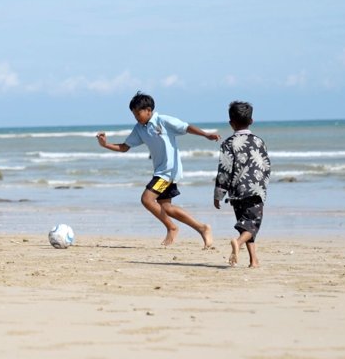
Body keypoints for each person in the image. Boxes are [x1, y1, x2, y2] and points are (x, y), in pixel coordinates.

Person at [96, 91, 219, 248]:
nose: (136, 117)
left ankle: (172, 228)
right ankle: (203, 228)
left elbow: (186, 127)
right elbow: (124, 147)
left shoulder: (163, 121)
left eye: (138, 113)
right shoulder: (139, 128)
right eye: (133, 114)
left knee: (147, 199)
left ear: (148, 110)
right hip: (160, 172)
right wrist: (105, 144)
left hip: (168, 173)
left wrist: (206, 135)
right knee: (167, 208)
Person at [214, 101, 271, 268]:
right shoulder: (259, 142)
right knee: (252, 224)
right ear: (251, 121)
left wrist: (218, 194)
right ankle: (237, 243)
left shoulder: (227, 144)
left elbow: (224, 170)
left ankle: (254, 260)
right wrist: (262, 187)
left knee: (246, 224)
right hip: (255, 190)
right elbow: (266, 165)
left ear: (231, 123)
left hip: (236, 192)